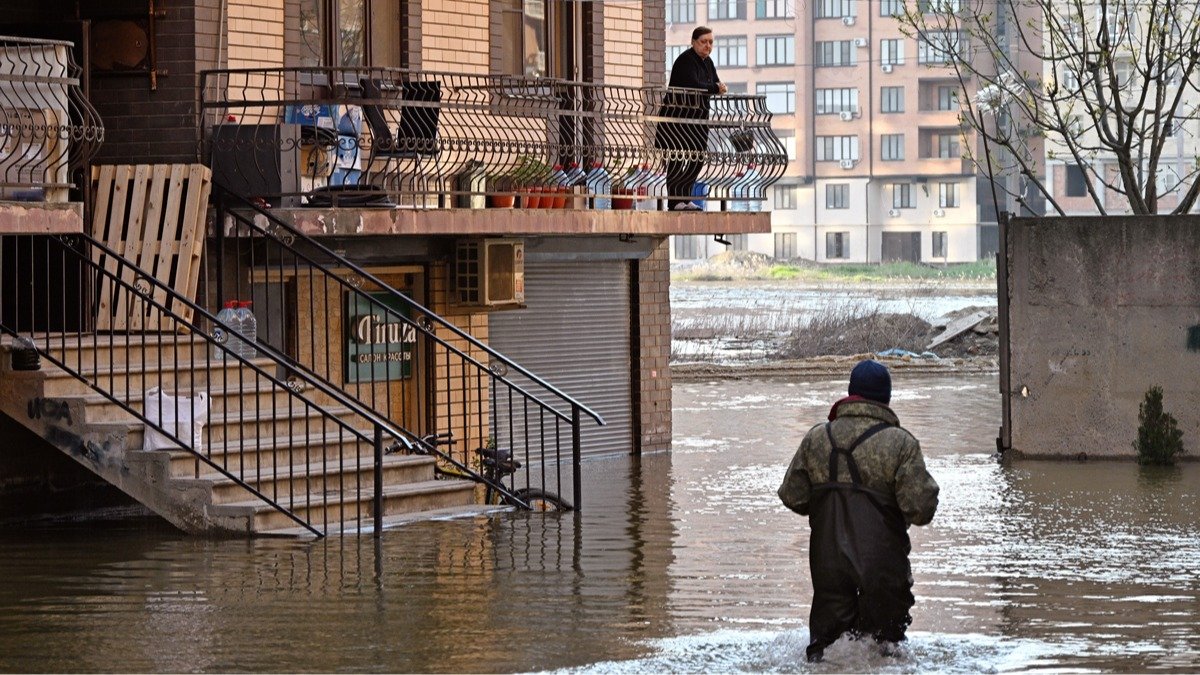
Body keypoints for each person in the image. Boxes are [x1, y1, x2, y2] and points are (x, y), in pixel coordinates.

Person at [777, 359, 939, 662]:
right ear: (885, 399)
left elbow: (793, 496)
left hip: (828, 568)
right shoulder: (901, 444)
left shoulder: (817, 438)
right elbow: (921, 509)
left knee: (827, 655)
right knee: (884, 654)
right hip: (883, 570)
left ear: (851, 393)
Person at [656, 26, 727, 211]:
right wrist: (715, 88)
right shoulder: (686, 60)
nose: (708, 46)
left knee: (697, 157)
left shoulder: (708, 62)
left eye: (711, 42)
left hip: (697, 121)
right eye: (704, 42)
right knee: (677, 159)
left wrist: (719, 87)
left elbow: (715, 83)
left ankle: (685, 198)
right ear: (694, 42)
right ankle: (674, 201)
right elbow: (695, 85)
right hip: (677, 121)